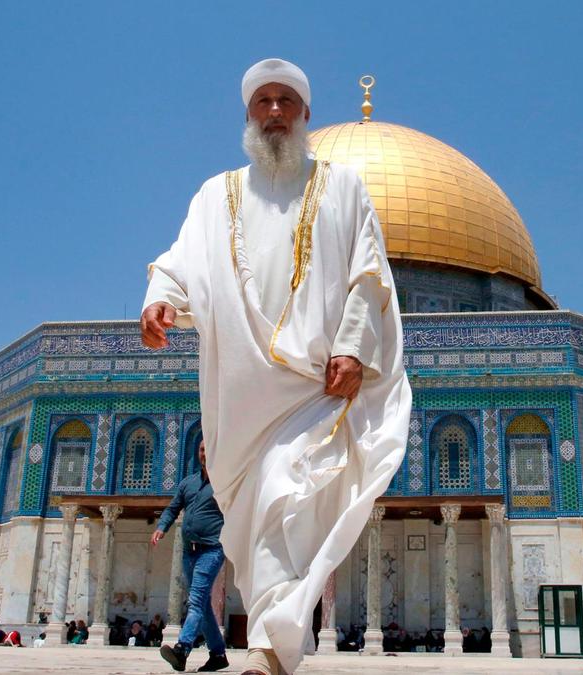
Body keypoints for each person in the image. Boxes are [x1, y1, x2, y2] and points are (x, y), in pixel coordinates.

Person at [141, 57, 411, 675]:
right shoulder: (216, 195)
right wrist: (161, 301)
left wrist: (352, 347)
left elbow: (369, 274)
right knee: (257, 514)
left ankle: (270, 646)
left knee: (288, 497)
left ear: (306, 114)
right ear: (247, 113)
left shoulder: (343, 187)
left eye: (286, 101)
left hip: (314, 383)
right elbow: (181, 262)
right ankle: (270, 641)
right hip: (243, 395)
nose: (274, 112)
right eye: (263, 101)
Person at [154, 439, 229, 672]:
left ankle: (182, 649)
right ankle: (218, 655)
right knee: (203, 604)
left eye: (208, 449)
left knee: (196, 600)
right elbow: (173, 508)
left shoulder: (225, 483)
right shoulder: (188, 483)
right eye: (201, 449)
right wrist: (161, 527)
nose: (204, 453)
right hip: (189, 552)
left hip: (212, 549)